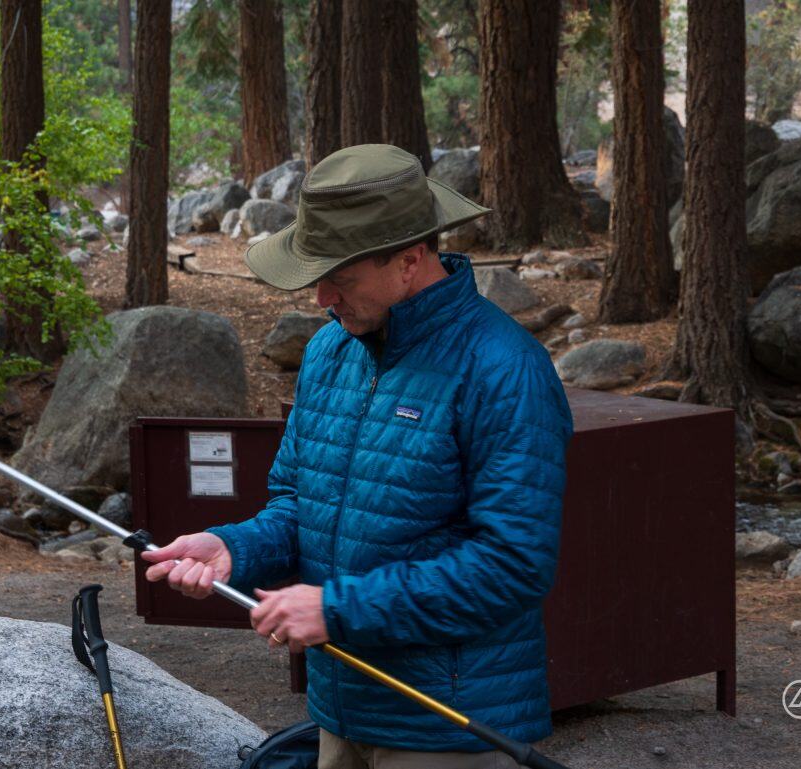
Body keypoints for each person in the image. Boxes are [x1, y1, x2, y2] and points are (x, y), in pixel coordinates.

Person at [143, 144, 573, 769]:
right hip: (339, 710)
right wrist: (235, 549)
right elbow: (298, 503)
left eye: (339, 277)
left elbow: (513, 565)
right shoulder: (327, 353)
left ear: (409, 261)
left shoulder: (504, 368)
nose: (321, 298)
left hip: (447, 727)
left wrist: (338, 609)